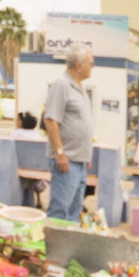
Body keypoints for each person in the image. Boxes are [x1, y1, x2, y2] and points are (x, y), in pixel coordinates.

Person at [43, 43, 94, 222]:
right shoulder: (61, 85)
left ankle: (68, 247)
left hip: (79, 161)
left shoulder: (79, 88)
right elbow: (51, 120)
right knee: (60, 210)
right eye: (90, 63)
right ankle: (55, 247)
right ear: (79, 65)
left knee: (75, 210)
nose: (92, 67)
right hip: (67, 160)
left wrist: (86, 156)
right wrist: (60, 153)